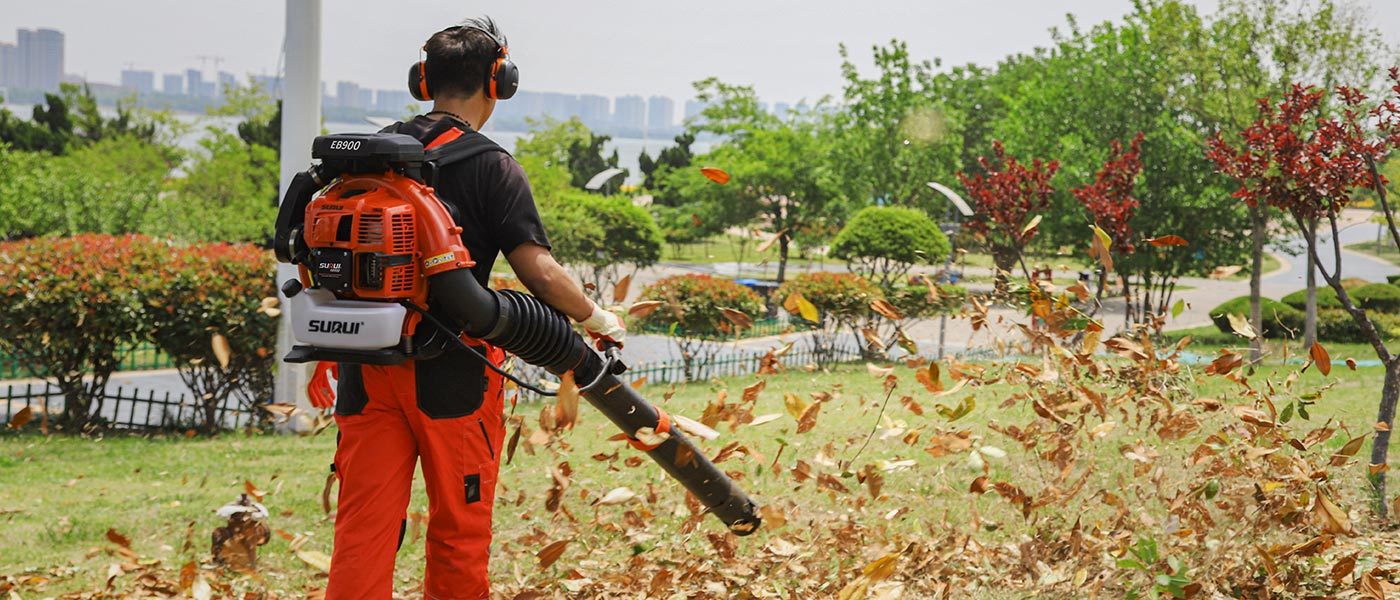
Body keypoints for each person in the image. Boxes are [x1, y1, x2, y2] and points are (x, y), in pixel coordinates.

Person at [324, 16, 625, 599]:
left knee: (362, 526)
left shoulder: (368, 155)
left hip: (366, 368)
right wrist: (595, 318)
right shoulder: (492, 165)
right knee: (458, 530)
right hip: (454, 372)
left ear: (422, 80)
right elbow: (538, 271)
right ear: (498, 81)